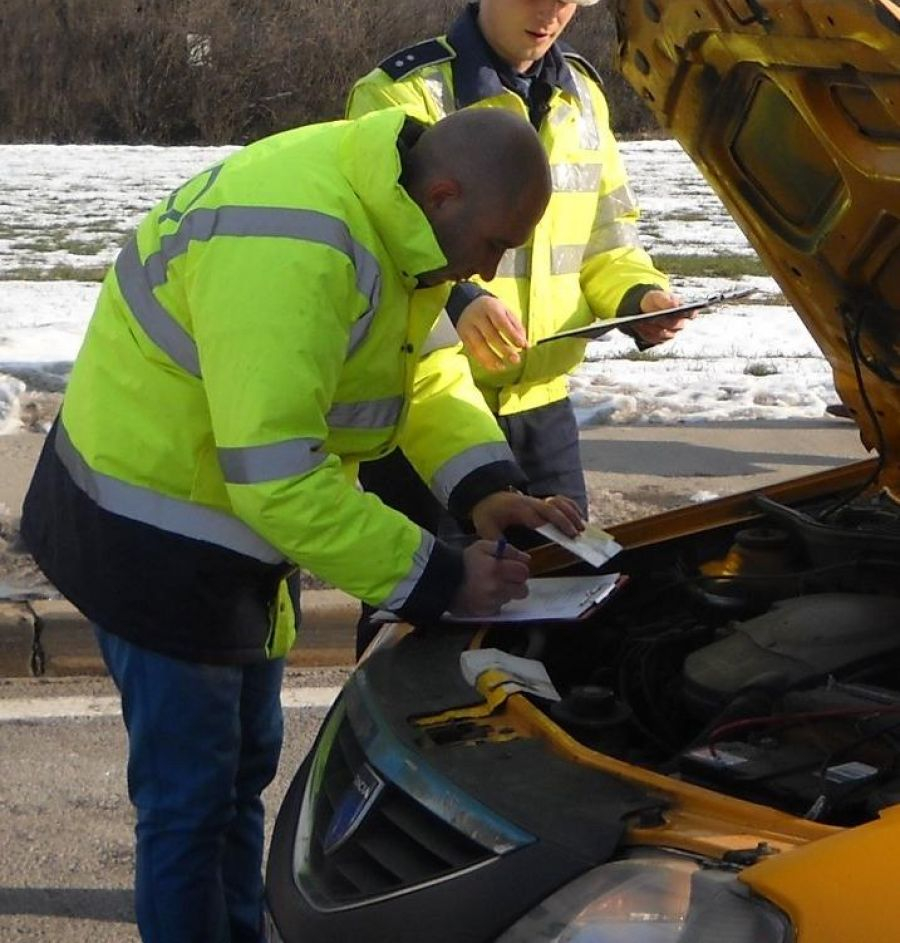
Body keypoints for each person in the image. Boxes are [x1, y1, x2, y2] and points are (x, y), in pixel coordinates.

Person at [19, 106, 584, 943]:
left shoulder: (393, 213)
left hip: (228, 524)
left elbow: (420, 370)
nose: (493, 273)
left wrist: (486, 486)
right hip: (151, 533)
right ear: (444, 192)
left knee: (239, 772)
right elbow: (277, 476)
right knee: (189, 805)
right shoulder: (300, 244)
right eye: (497, 243)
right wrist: (440, 574)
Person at [348, 0, 696, 653]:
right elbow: (380, 240)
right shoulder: (404, 89)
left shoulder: (584, 98)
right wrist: (456, 303)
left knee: (574, 603)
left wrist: (642, 297)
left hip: (543, 417)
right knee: (417, 623)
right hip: (427, 412)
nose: (551, 12)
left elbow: (607, 242)